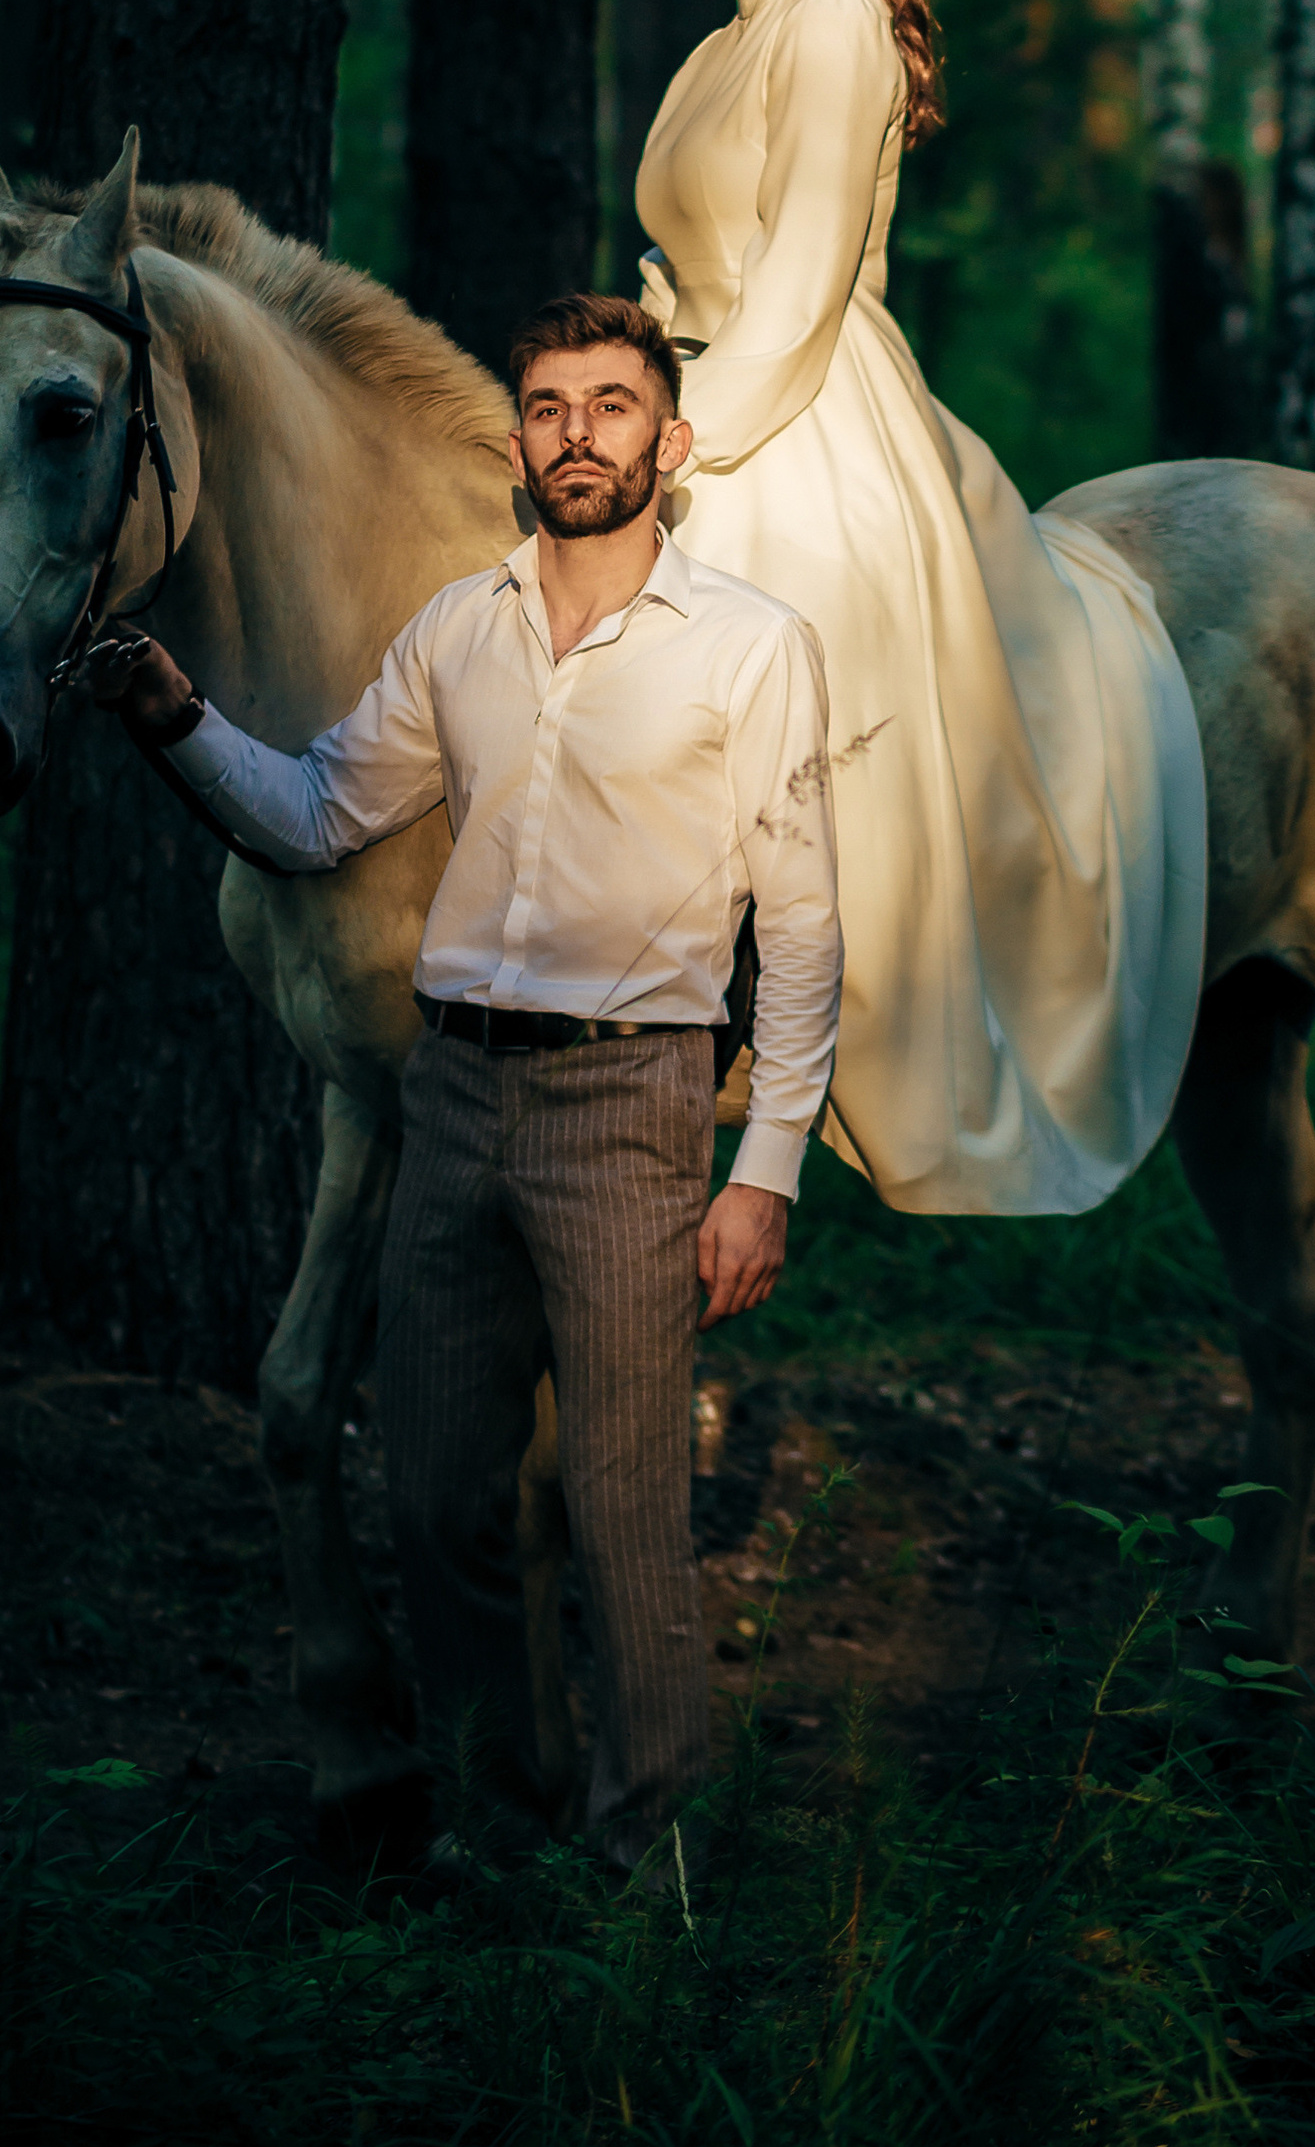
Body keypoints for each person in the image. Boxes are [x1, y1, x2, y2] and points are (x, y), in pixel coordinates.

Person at [85, 291, 842, 1868]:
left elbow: (810, 918)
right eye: (553, 407)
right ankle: (502, 1835)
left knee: (630, 1526)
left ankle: (654, 1874)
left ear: (670, 442)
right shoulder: (456, 631)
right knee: (438, 1501)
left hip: (629, 1107)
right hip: (450, 1100)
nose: (581, 434)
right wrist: (175, 717)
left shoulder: (753, 649)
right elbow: (311, 814)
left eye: (614, 408)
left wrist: (763, 1170)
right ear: (518, 445)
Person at [632, 0, 1208, 1223]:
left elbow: (809, 270)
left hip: (796, 392)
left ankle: (782, 1030)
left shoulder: (836, 22)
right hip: (695, 368)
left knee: (770, 653)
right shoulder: (727, 36)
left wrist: (686, 435)